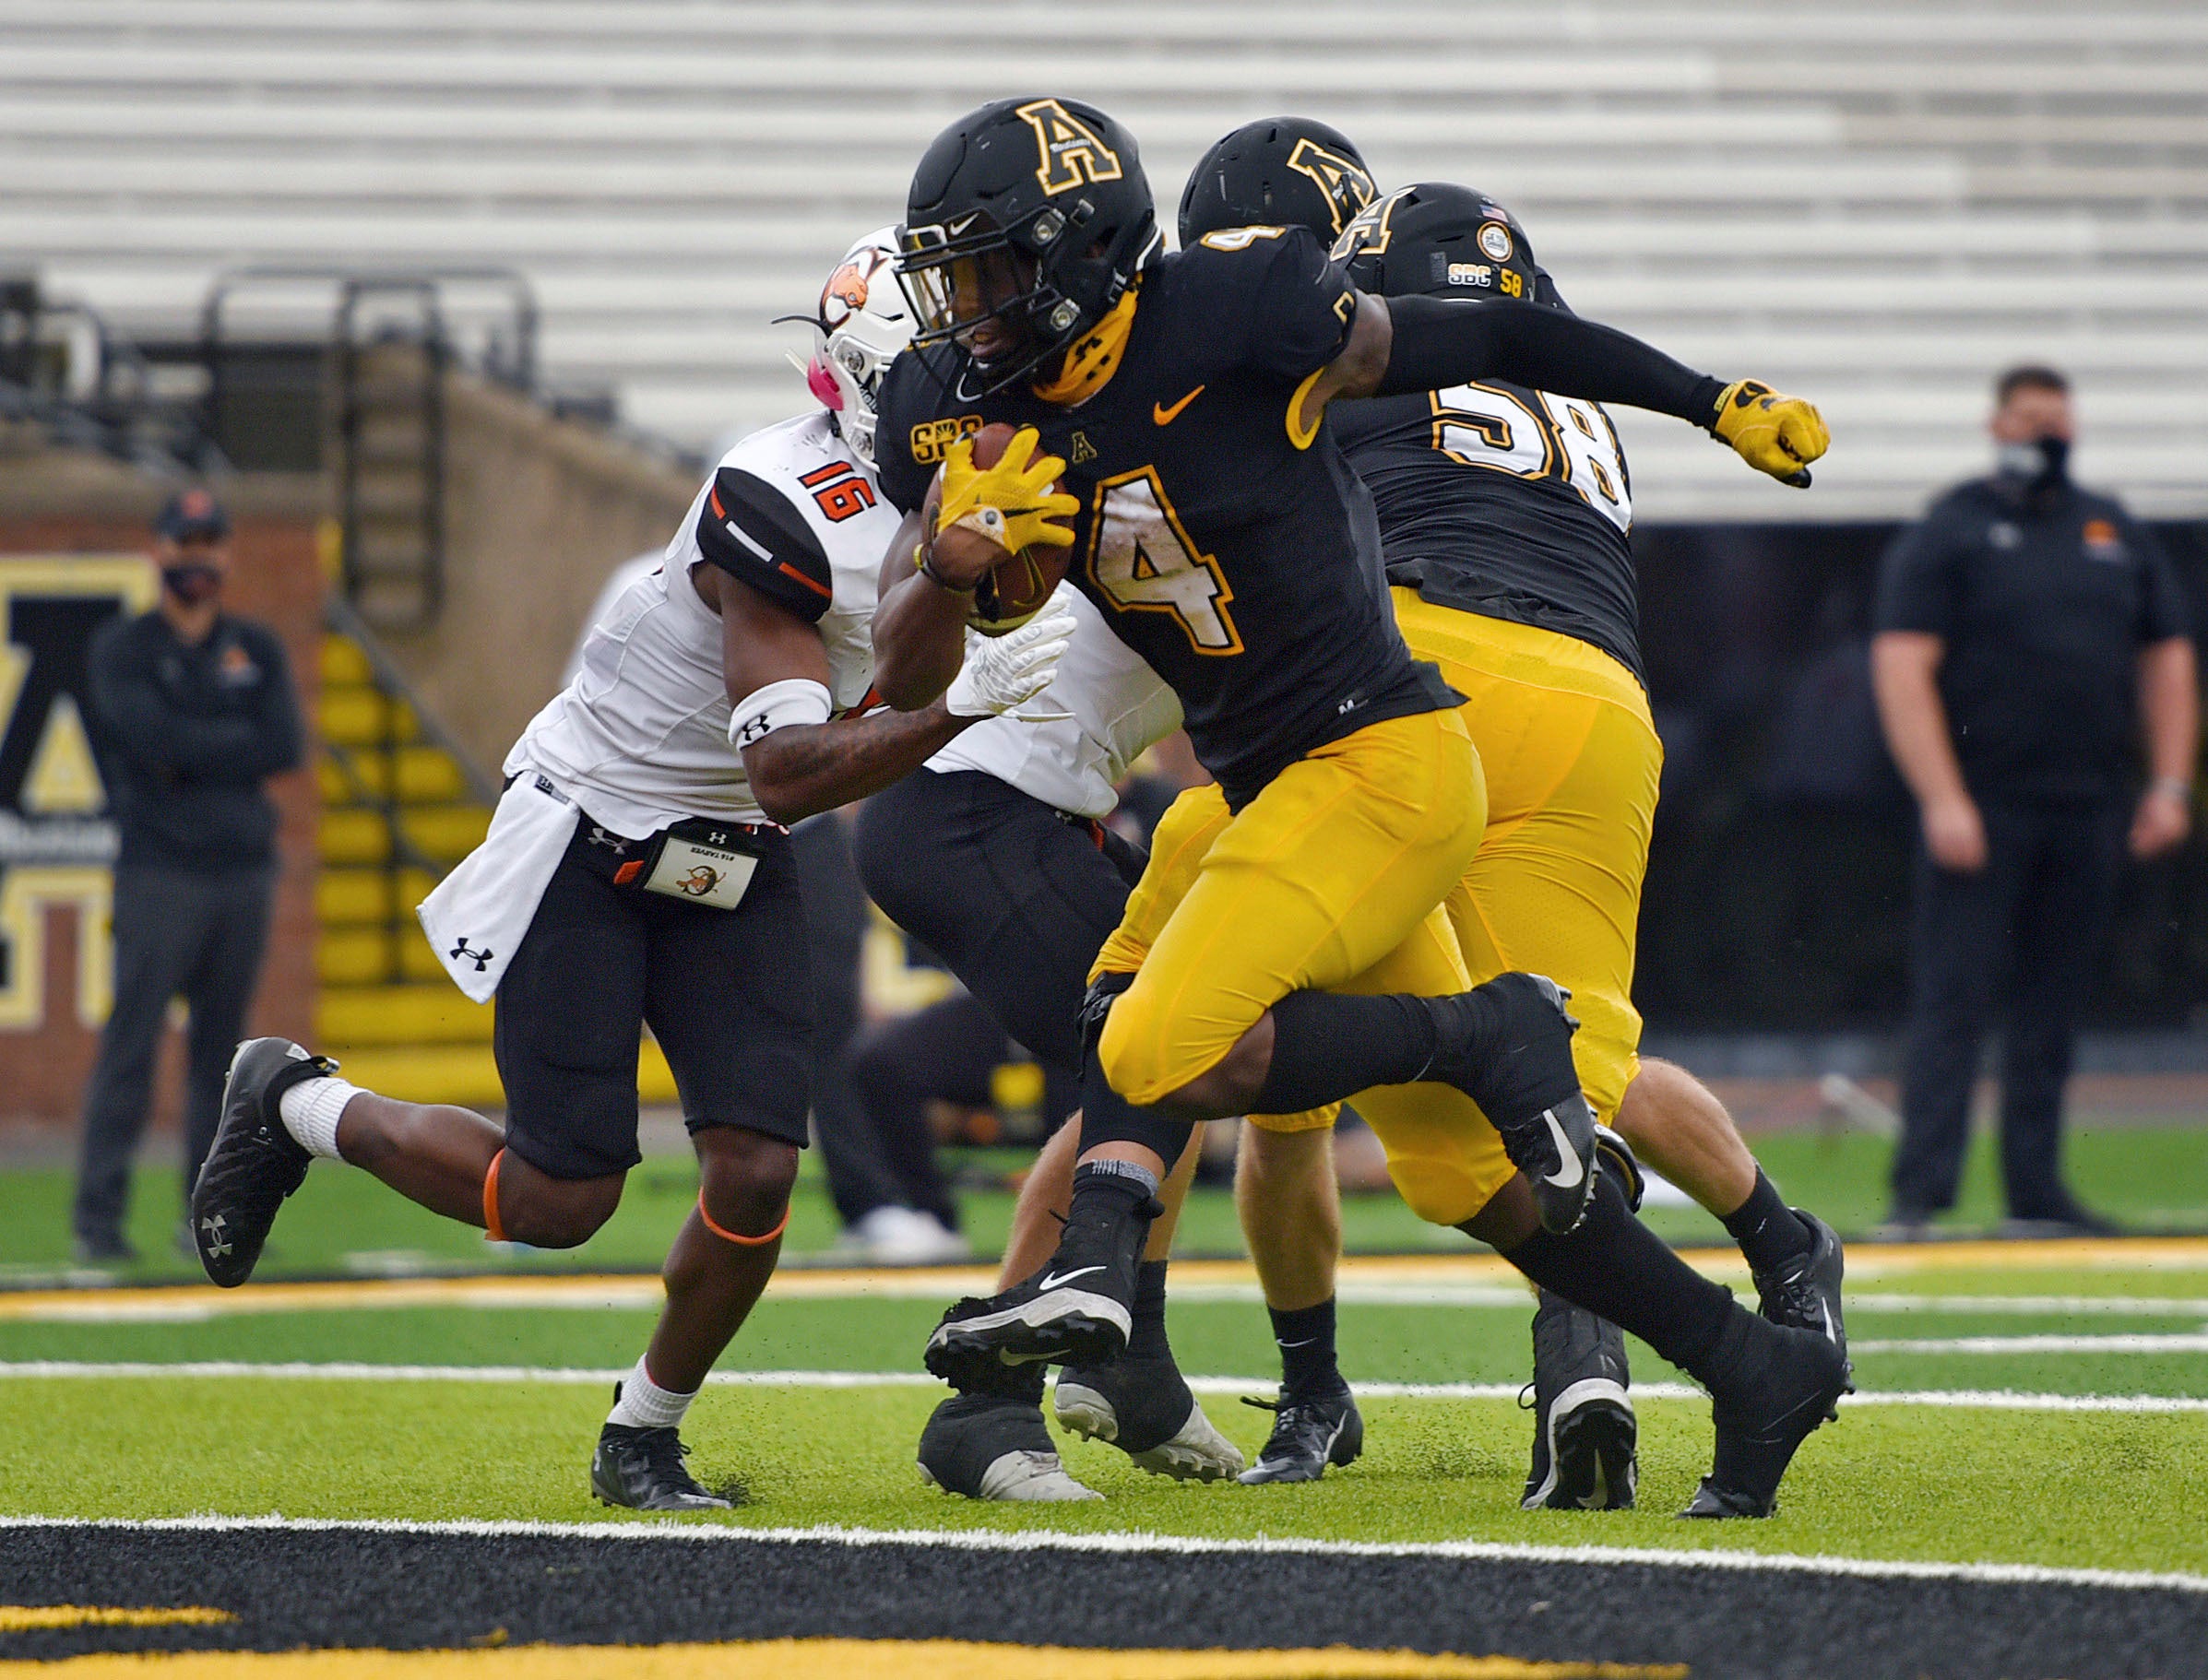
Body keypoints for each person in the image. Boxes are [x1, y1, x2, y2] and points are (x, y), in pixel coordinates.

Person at [872, 96, 1844, 1519]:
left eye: (989, 273)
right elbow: (914, 664)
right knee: (1462, 1173)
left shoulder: (1240, 309)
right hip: (1286, 783)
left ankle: (1117, 1264)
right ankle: (1750, 1365)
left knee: (1148, 1027)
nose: (965, 312)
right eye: (946, 280)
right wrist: (949, 566)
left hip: (1379, 757)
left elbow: (1494, 340)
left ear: (1079, 254)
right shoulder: (951, 405)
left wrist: (1705, 397)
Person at [187, 231, 1074, 1511]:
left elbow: (908, 658)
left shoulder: (941, 481)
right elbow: (792, 765)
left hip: (735, 849)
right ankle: (297, 1103)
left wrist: (955, 586)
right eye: (948, 359)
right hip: (598, 828)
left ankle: (642, 1431)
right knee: (559, 1197)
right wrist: (951, 710)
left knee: (761, 1169)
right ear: (871, 381)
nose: (978, 379)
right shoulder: (767, 497)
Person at [1173, 136, 1850, 1506]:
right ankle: (1625, 1336)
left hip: (1417, 680)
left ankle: (1289, 1371)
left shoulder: (1353, 353)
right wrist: (1717, 398)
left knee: (1240, 1021)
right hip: (1600, 702)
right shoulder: (1568, 399)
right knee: (1568, 1068)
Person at [1871, 364, 2196, 1236]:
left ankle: (2036, 1192)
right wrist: (1944, 796)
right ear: (1997, 426)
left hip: (2089, 803)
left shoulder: (2110, 529)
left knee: (2053, 1007)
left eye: (2058, 423)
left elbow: (2166, 655)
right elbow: (1903, 665)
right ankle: (1922, 1194)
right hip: (1986, 804)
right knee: (1956, 1000)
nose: (2045, 438)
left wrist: (2168, 780)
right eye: (2029, 421)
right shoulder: (1955, 529)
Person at [73, 489, 303, 1263]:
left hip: (241, 875)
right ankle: (97, 1220)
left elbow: (280, 744)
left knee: (223, 1060)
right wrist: (213, 742)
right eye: (186, 540)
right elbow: (139, 735)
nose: (199, 555)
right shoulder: (124, 648)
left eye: (212, 541)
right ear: (159, 550)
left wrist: (187, 750)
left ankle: (205, 1221)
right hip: (158, 873)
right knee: (131, 1045)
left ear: (226, 554)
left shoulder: (256, 647)